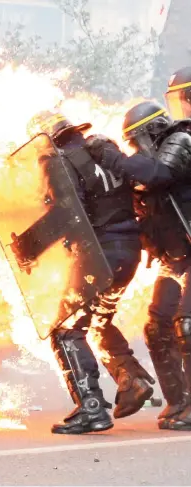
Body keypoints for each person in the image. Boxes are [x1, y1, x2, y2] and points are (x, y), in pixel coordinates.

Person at [27, 110, 155, 434]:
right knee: (97, 320)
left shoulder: (57, 160)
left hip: (100, 255)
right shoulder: (102, 151)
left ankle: (92, 408)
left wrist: (27, 248)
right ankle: (132, 378)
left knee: (66, 328)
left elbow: (69, 212)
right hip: (129, 251)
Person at [91, 100, 191, 430]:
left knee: (186, 325)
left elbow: (160, 174)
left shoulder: (181, 140)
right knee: (157, 327)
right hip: (174, 260)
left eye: (135, 141)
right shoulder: (143, 168)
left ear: (151, 131)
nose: (134, 150)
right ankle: (179, 403)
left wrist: (114, 158)